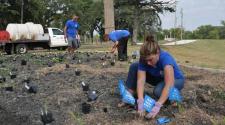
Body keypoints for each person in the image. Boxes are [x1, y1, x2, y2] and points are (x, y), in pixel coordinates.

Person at [124, 35, 185, 119]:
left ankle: (174, 97)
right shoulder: (143, 59)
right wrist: (140, 101)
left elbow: (169, 84)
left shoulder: (166, 59)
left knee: (158, 92)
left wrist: (157, 106)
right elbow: (141, 80)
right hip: (159, 77)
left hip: (176, 80)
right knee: (134, 66)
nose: (148, 63)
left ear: (157, 53)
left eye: (150, 59)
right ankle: (130, 93)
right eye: (146, 60)